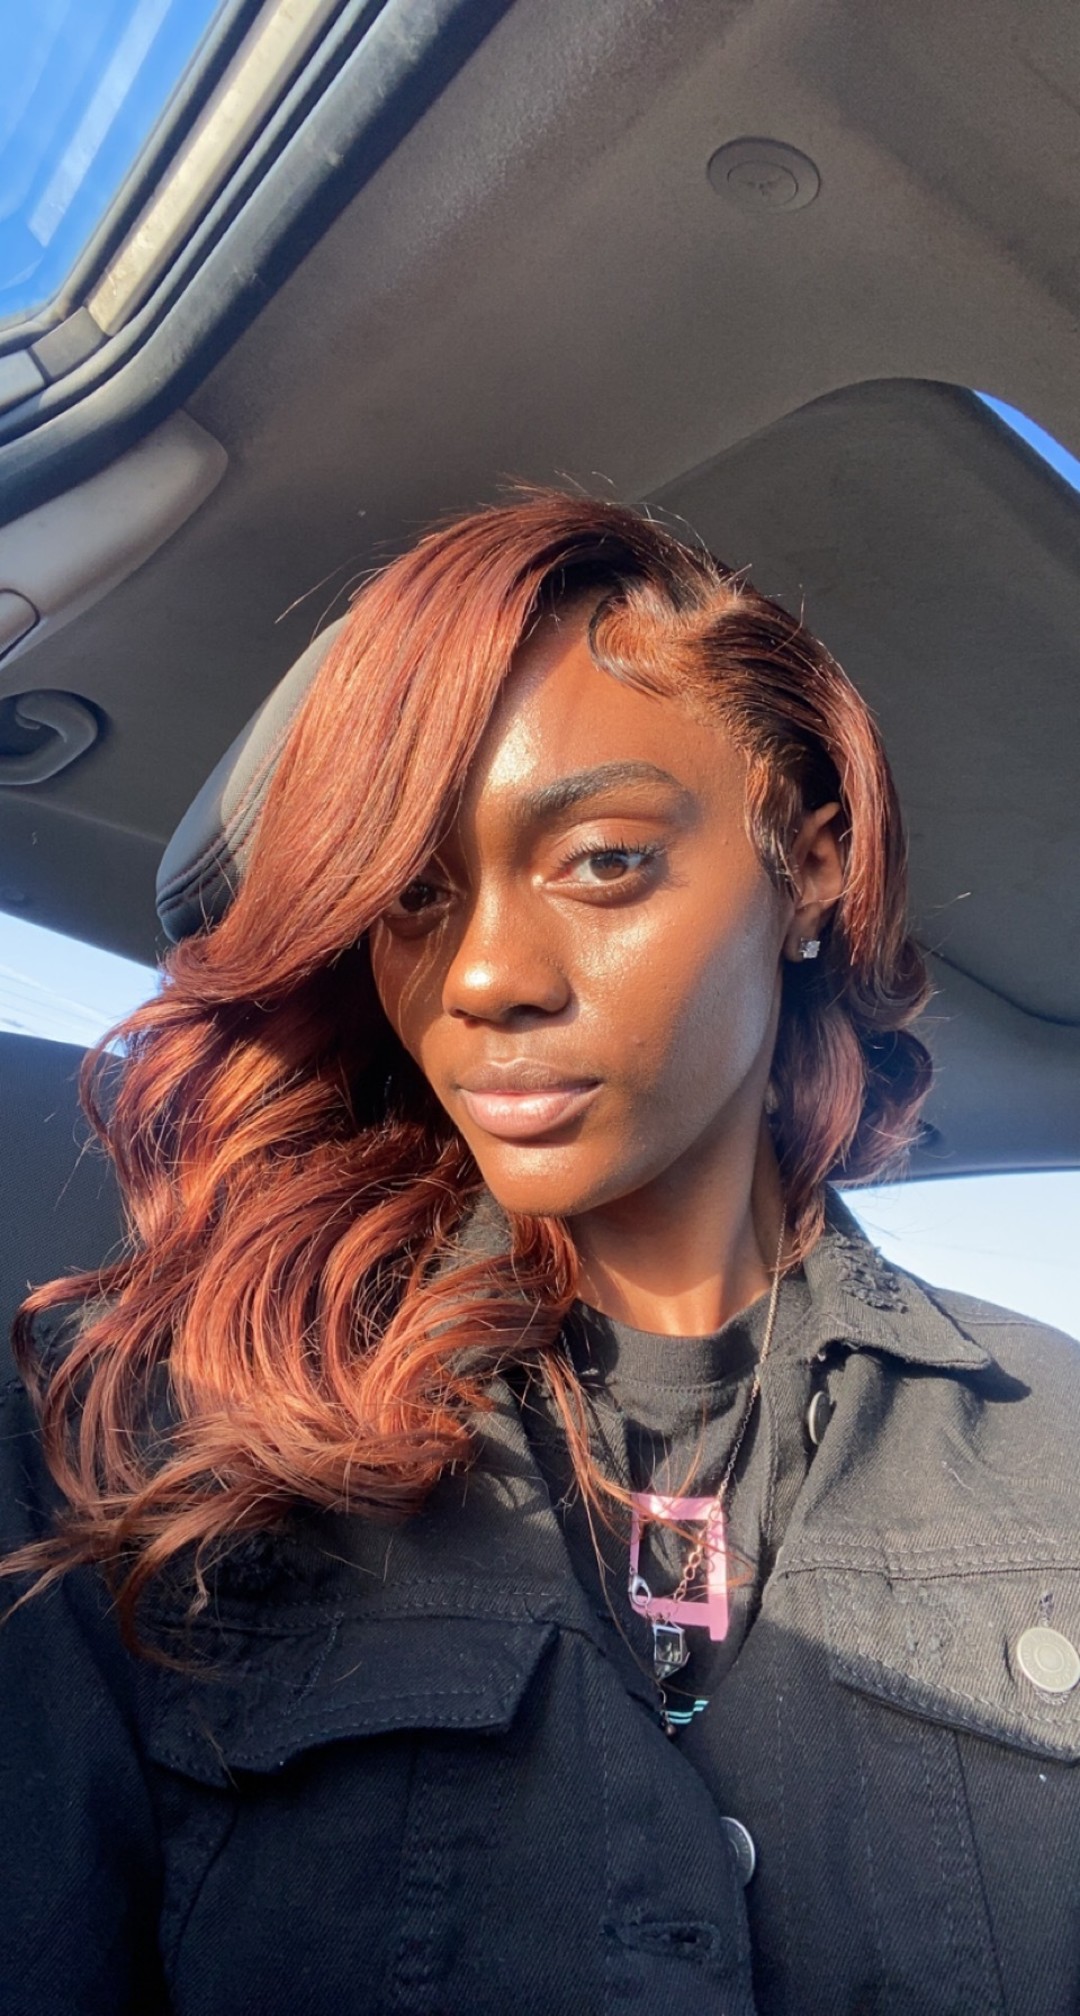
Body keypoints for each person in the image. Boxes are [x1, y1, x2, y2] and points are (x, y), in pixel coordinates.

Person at [1, 491, 1078, 2016]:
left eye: (604, 861)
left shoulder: (1056, 1449)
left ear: (807, 868)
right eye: (415, 896)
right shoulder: (129, 1437)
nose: (486, 975)